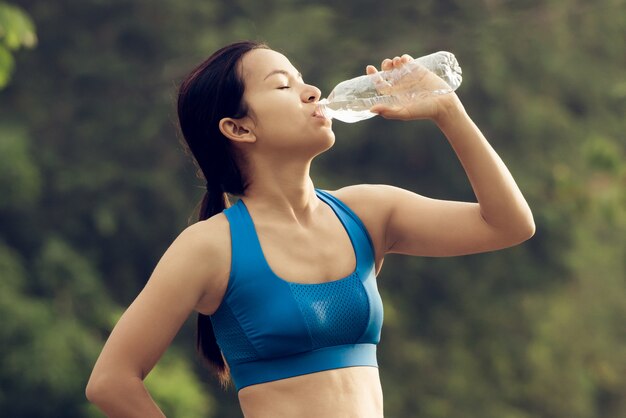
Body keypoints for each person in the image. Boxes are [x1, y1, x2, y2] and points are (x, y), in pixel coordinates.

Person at [85, 40, 535, 418]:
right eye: (283, 85)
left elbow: (509, 224)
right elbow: (111, 381)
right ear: (238, 128)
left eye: (303, 80)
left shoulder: (366, 213)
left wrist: (448, 112)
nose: (313, 92)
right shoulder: (211, 247)